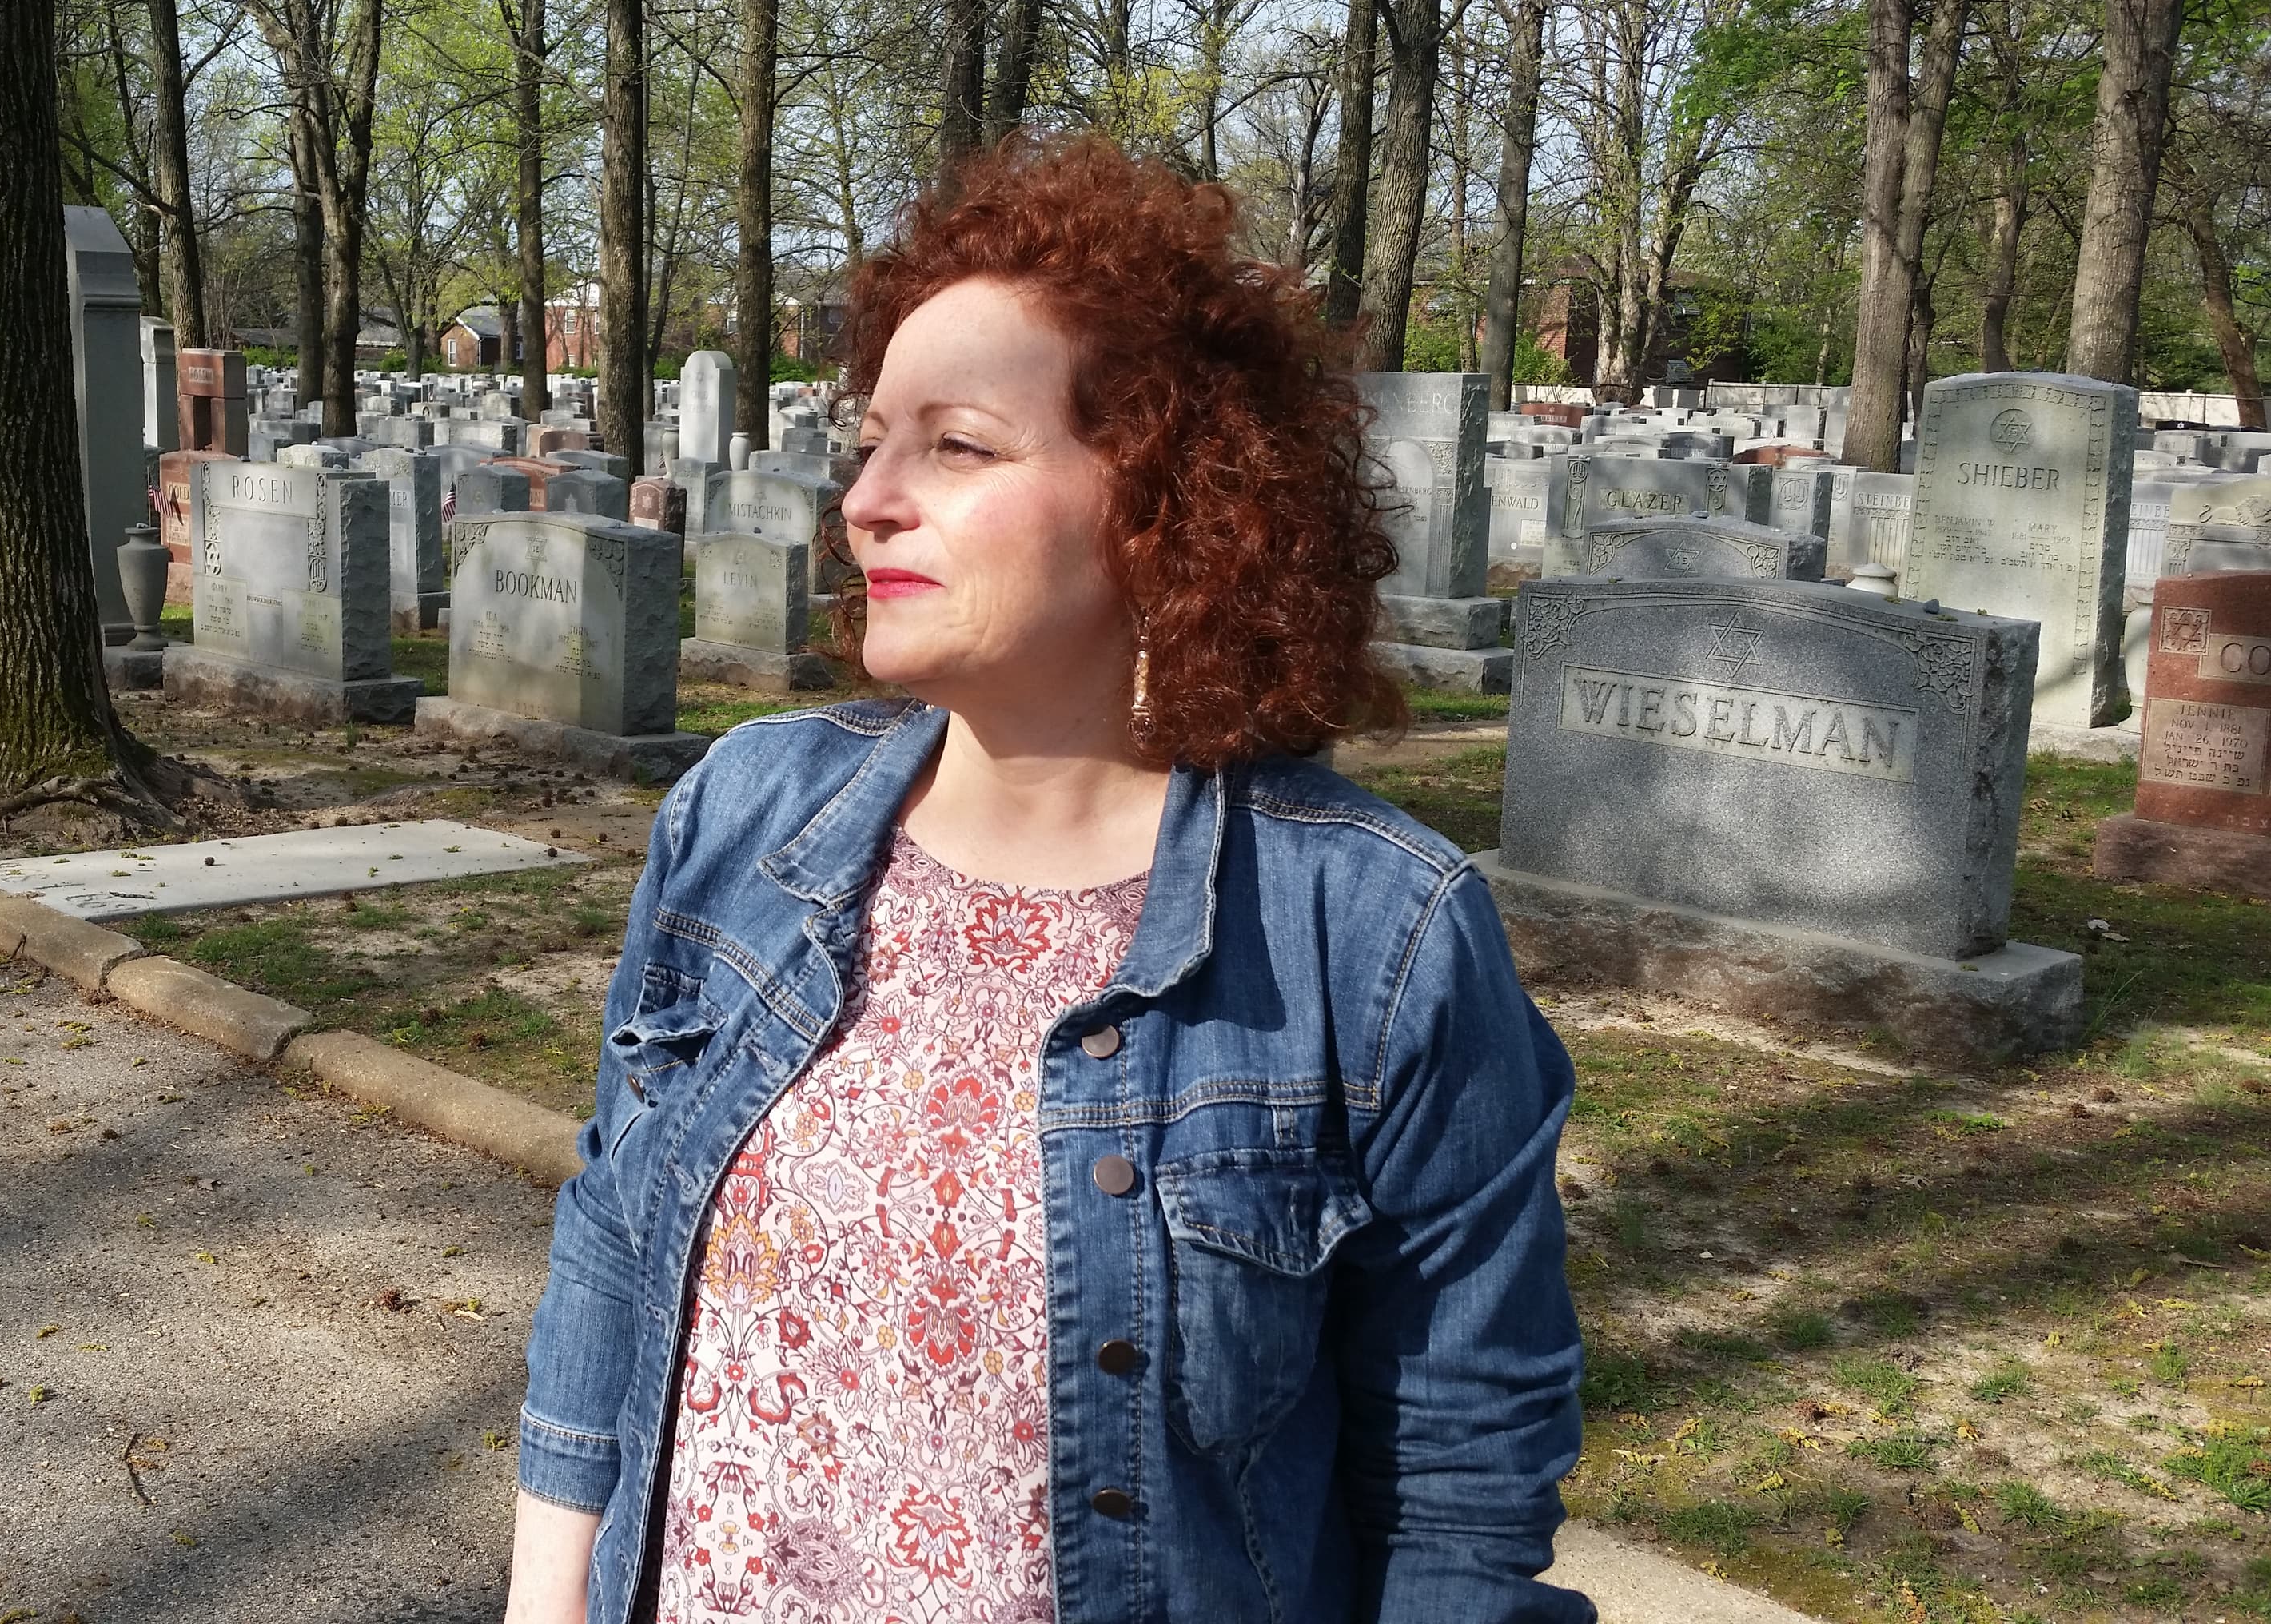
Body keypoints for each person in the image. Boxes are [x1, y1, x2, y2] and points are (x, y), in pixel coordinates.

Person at [504, 136, 1588, 1624]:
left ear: (1167, 504)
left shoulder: (1373, 936)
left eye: (956, 446)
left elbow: (1458, 1487)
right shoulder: (745, 814)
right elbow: (616, 1242)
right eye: (871, 441)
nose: (867, 499)